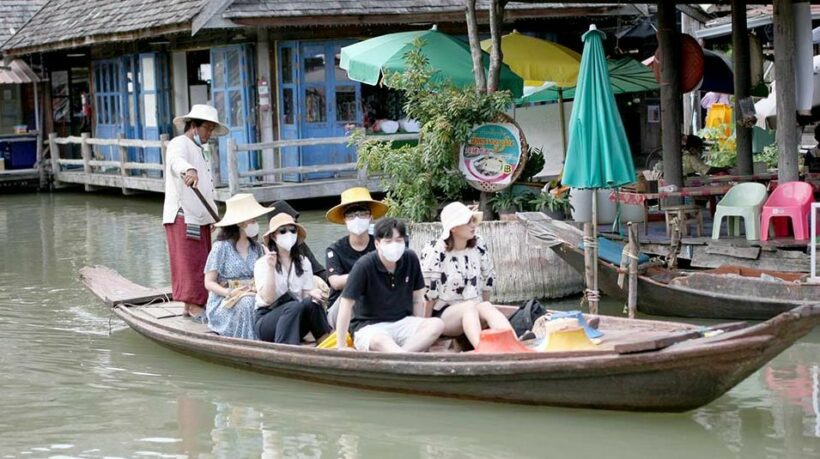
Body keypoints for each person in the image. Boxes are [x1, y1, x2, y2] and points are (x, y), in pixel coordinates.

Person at [335, 218, 444, 352]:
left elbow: (417, 298)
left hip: (402, 322)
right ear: (377, 243)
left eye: (398, 240)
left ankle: (402, 355)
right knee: (381, 340)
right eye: (388, 241)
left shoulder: (410, 258)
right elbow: (346, 304)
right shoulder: (364, 265)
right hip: (371, 327)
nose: (394, 245)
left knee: (436, 324)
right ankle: (406, 356)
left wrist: (418, 329)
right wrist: (341, 346)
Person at [163, 104, 229, 319]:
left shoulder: (200, 150)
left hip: (200, 216)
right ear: (193, 126)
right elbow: (175, 162)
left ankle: (192, 305)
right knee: (190, 262)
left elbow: (206, 189)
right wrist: (188, 169)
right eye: (206, 129)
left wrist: (211, 217)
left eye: (211, 130)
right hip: (184, 216)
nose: (209, 134)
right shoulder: (179, 143)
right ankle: (193, 305)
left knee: (204, 261)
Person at [420, 202, 514, 349]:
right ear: (454, 228)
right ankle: (481, 348)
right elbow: (428, 294)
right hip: (444, 315)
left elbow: (487, 280)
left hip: (474, 309)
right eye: (467, 221)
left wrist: (484, 316)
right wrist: (424, 330)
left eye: (473, 221)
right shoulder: (436, 250)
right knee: (469, 307)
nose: (473, 225)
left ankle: (514, 343)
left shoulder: (478, 245)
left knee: (487, 306)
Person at [253, 213, 332, 344]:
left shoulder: (303, 262)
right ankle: (286, 349)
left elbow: (305, 297)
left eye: (292, 230)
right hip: (268, 319)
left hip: (296, 318)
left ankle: (326, 341)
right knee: (293, 306)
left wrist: (313, 294)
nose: (288, 234)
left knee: (312, 303)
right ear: (273, 236)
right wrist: (271, 268)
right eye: (283, 231)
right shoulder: (263, 263)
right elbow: (267, 298)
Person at [203, 193, 272, 339]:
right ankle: (249, 342)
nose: (255, 224)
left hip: (253, 293)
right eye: (252, 220)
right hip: (225, 301)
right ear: (240, 223)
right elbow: (209, 282)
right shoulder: (221, 247)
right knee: (247, 303)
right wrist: (229, 292)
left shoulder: (257, 248)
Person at [324, 187, 388, 325]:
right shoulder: (335, 249)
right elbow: (335, 282)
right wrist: (365, 273)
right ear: (344, 220)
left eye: (362, 213)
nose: (357, 219)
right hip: (340, 310)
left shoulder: (381, 244)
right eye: (351, 215)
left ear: (371, 217)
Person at [270, 200, 328, 282]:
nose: (289, 233)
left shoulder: (300, 244)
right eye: (283, 230)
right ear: (273, 234)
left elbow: (318, 270)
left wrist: (333, 279)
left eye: (293, 228)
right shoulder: (265, 254)